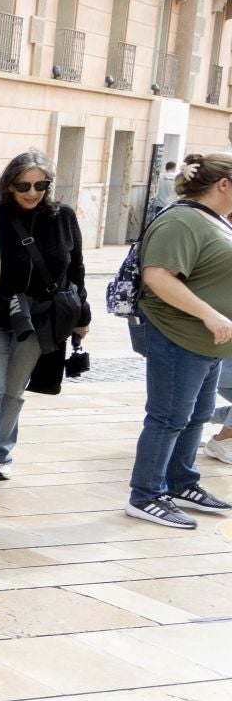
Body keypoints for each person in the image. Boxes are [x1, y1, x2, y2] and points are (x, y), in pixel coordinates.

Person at [0, 151, 91, 495]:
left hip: (39, 320)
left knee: (14, 392)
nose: (32, 192)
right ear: (9, 184)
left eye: (41, 184)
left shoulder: (63, 217)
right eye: (24, 185)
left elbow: (76, 267)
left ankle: (1, 453)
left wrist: (82, 315)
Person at [125, 151, 232, 527]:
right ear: (223, 184)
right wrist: (210, 314)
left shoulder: (214, 219)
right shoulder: (183, 220)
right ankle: (146, 494)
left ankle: (181, 483)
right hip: (179, 335)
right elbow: (158, 276)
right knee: (168, 417)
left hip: (207, 343)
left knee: (196, 416)